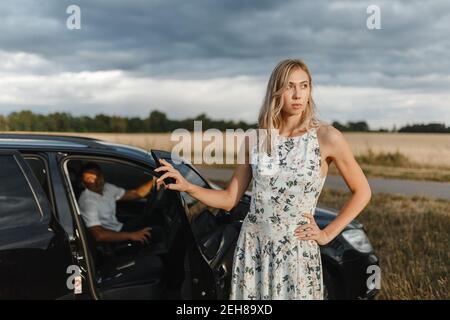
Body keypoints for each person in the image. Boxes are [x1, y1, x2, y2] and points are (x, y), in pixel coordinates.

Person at [154, 59, 372, 300]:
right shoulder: (255, 139)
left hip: (296, 252)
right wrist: (187, 186)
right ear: (276, 91)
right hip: (254, 249)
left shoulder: (327, 137)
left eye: (304, 85)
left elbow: (363, 191)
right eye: (290, 86)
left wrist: (327, 234)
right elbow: (229, 199)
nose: (298, 94)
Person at [78, 162, 161, 245]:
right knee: (157, 231)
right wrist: (132, 235)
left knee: (152, 218)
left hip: (118, 226)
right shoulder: (87, 202)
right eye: (90, 179)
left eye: (98, 176)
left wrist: (155, 179)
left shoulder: (107, 187)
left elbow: (135, 194)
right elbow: (99, 235)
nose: (97, 181)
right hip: (112, 237)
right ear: (83, 183)